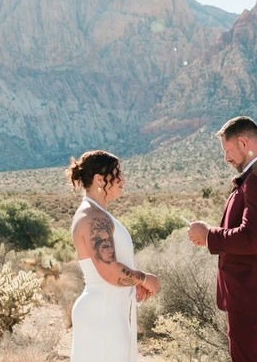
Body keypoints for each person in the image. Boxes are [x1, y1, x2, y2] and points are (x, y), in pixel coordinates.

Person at [187, 116, 257, 362]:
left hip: (252, 295)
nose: (226, 158)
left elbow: (251, 239)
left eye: (227, 150)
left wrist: (208, 235)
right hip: (255, 294)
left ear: (244, 143)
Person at [66, 150, 160, 362]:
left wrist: (131, 283)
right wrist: (143, 279)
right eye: (118, 174)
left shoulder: (96, 213)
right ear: (100, 179)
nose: (123, 180)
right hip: (102, 315)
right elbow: (108, 270)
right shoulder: (93, 217)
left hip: (108, 312)